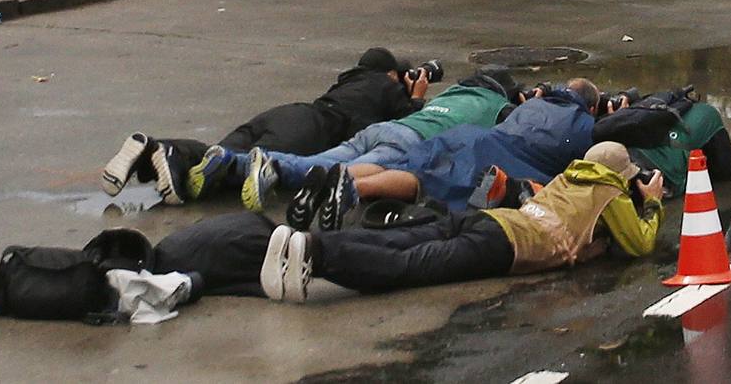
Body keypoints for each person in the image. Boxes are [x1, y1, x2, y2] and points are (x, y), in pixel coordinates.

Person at [255, 141, 666, 303]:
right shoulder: (611, 193)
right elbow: (640, 245)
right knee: (412, 265)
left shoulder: (569, 176)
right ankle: (317, 255)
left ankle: (305, 243)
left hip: (490, 219)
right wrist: (650, 204)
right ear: (622, 176)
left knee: (405, 238)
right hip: (507, 245)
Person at [100, 48, 427, 206]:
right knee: (242, 170)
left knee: (217, 160)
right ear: (391, 75)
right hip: (312, 129)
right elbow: (395, 134)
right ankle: (168, 152)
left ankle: (156, 150)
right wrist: (413, 99)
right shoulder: (386, 86)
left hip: (287, 114)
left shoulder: (346, 83)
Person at [297, 81, 607, 231]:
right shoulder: (584, 125)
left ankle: (336, 176)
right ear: (591, 107)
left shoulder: (532, 105)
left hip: (469, 136)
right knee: (421, 181)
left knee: (406, 163)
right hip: (493, 158)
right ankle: (353, 188)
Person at [240, 69, 521, 212]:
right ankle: (276, 171)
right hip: (410, 142)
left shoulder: (453, 92)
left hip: (384, 129)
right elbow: (523, 127)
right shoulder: (498, 105)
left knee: (318, 161)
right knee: (338, 177)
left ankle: (236, 160)